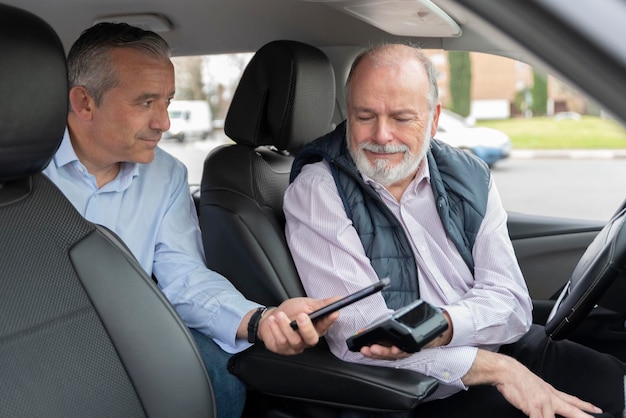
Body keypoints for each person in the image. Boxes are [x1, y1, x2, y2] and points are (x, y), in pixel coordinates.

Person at [284, 43, 626, 418]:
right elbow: (364, 339)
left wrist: (446, 326)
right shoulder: (319, 189)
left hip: (502, 346)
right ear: (348, 114)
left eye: (401, 118)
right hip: (423, 389)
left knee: (617, 387)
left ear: (433, 120)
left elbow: (511, 302)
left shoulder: (469, 174)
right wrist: (498, 369)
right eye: (365, 116)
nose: (381, 135)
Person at [43, 22, 339, 418]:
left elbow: (182, 276)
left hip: (122, 335)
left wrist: (260, 320)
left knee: (218, 377)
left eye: (167, 101)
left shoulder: (165, 174)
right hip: (35, 335)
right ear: (84, 103)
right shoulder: (23, 171)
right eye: (146, 102)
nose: (164, 122)